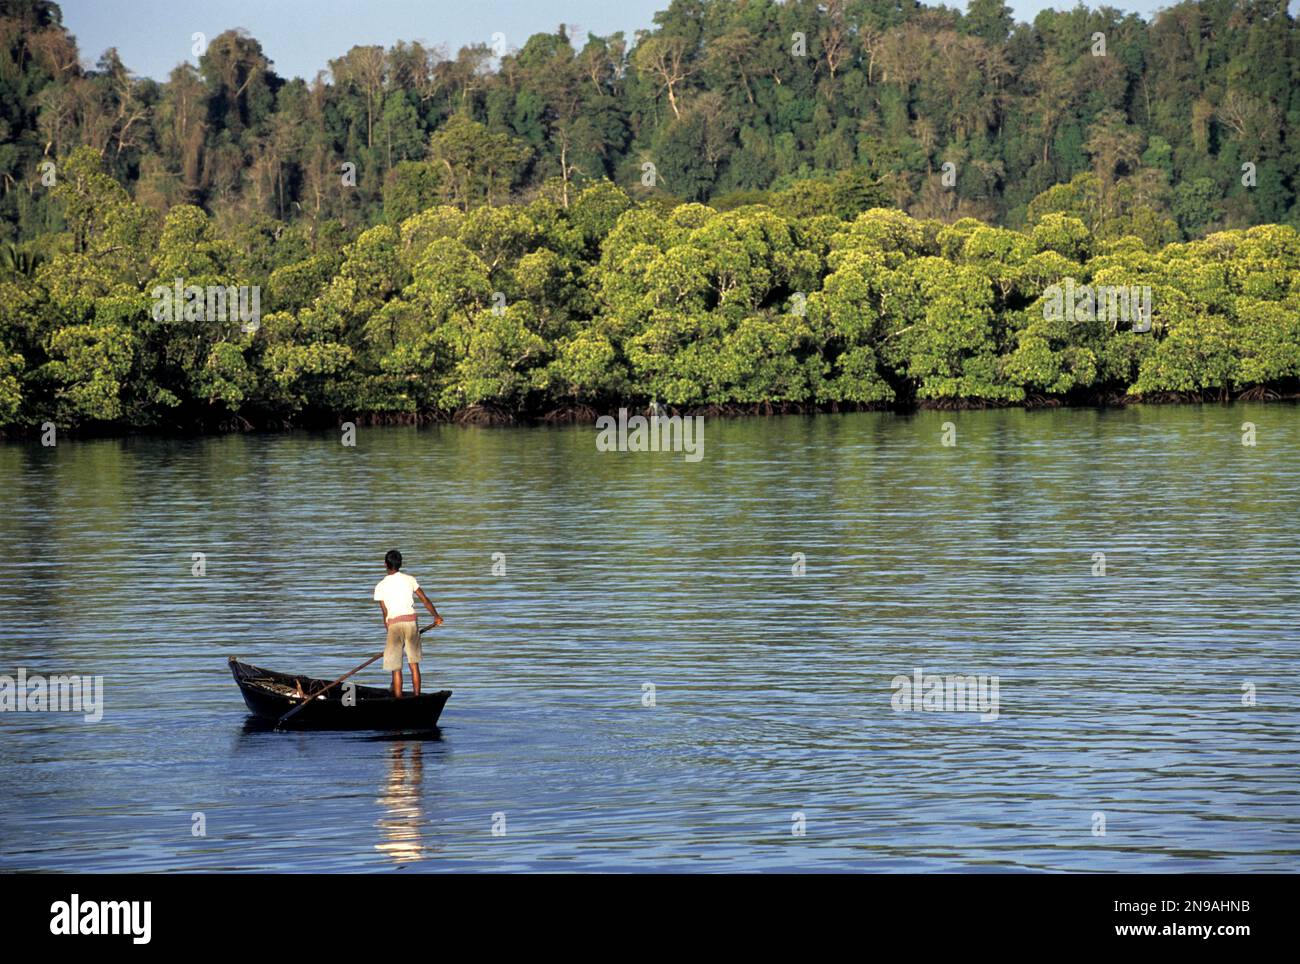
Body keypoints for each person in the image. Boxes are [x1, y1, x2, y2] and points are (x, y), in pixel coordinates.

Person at [373, 549, 441, 697]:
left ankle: (398, 699)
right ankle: (417, 697)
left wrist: (390, 631)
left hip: (394, 626)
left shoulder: (380, 586)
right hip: (411, 623)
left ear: (385, 564)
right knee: (413, 664)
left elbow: (385, 613)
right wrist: (436, 617)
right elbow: (425, 600)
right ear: (400, 564)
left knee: (396, 668)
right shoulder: (410, 579)